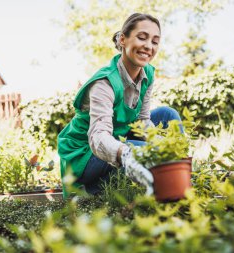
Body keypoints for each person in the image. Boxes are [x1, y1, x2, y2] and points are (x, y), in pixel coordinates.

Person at [58, 13, 183, 198]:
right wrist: (127, 154)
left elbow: (142, 121)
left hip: (119, 136)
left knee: (167, 115)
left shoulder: (147, 72)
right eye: (142, 37)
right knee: (146, 153)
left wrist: (163, 146)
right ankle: (88, 188)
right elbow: (98, 138)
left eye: (155, 41)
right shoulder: (104, 83)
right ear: (123, 39)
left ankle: (180, 176)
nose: (148, 46)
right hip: (84, 154)